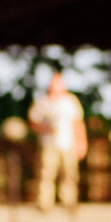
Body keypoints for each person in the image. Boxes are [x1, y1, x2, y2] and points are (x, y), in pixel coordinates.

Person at [31, 71, 85, 209]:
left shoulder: (70, 101)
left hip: (68, 144)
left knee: (69, 173)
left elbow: (78, 123)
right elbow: (33, 122)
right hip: (49, 144)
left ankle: (68, 201)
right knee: (46, 173)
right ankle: (45, 203)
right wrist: (45, 128)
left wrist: (81, 142)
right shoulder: (42, 102)